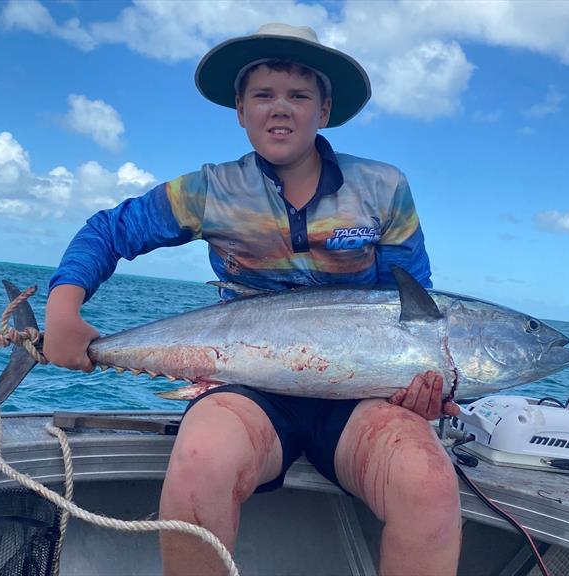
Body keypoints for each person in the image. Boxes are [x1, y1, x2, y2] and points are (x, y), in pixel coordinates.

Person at [44, 23, 461, 576]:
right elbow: (109, 232)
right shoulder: (210, 190)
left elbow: (413, 302)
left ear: (325, 110)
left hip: (361, 399)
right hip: (249, 391)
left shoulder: (382, 188)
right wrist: (62, 312)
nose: (280, 109)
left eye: (298, 96)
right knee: (198, 463)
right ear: (240, 110)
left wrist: (424, 385)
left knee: (429, 484)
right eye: (263, 95)